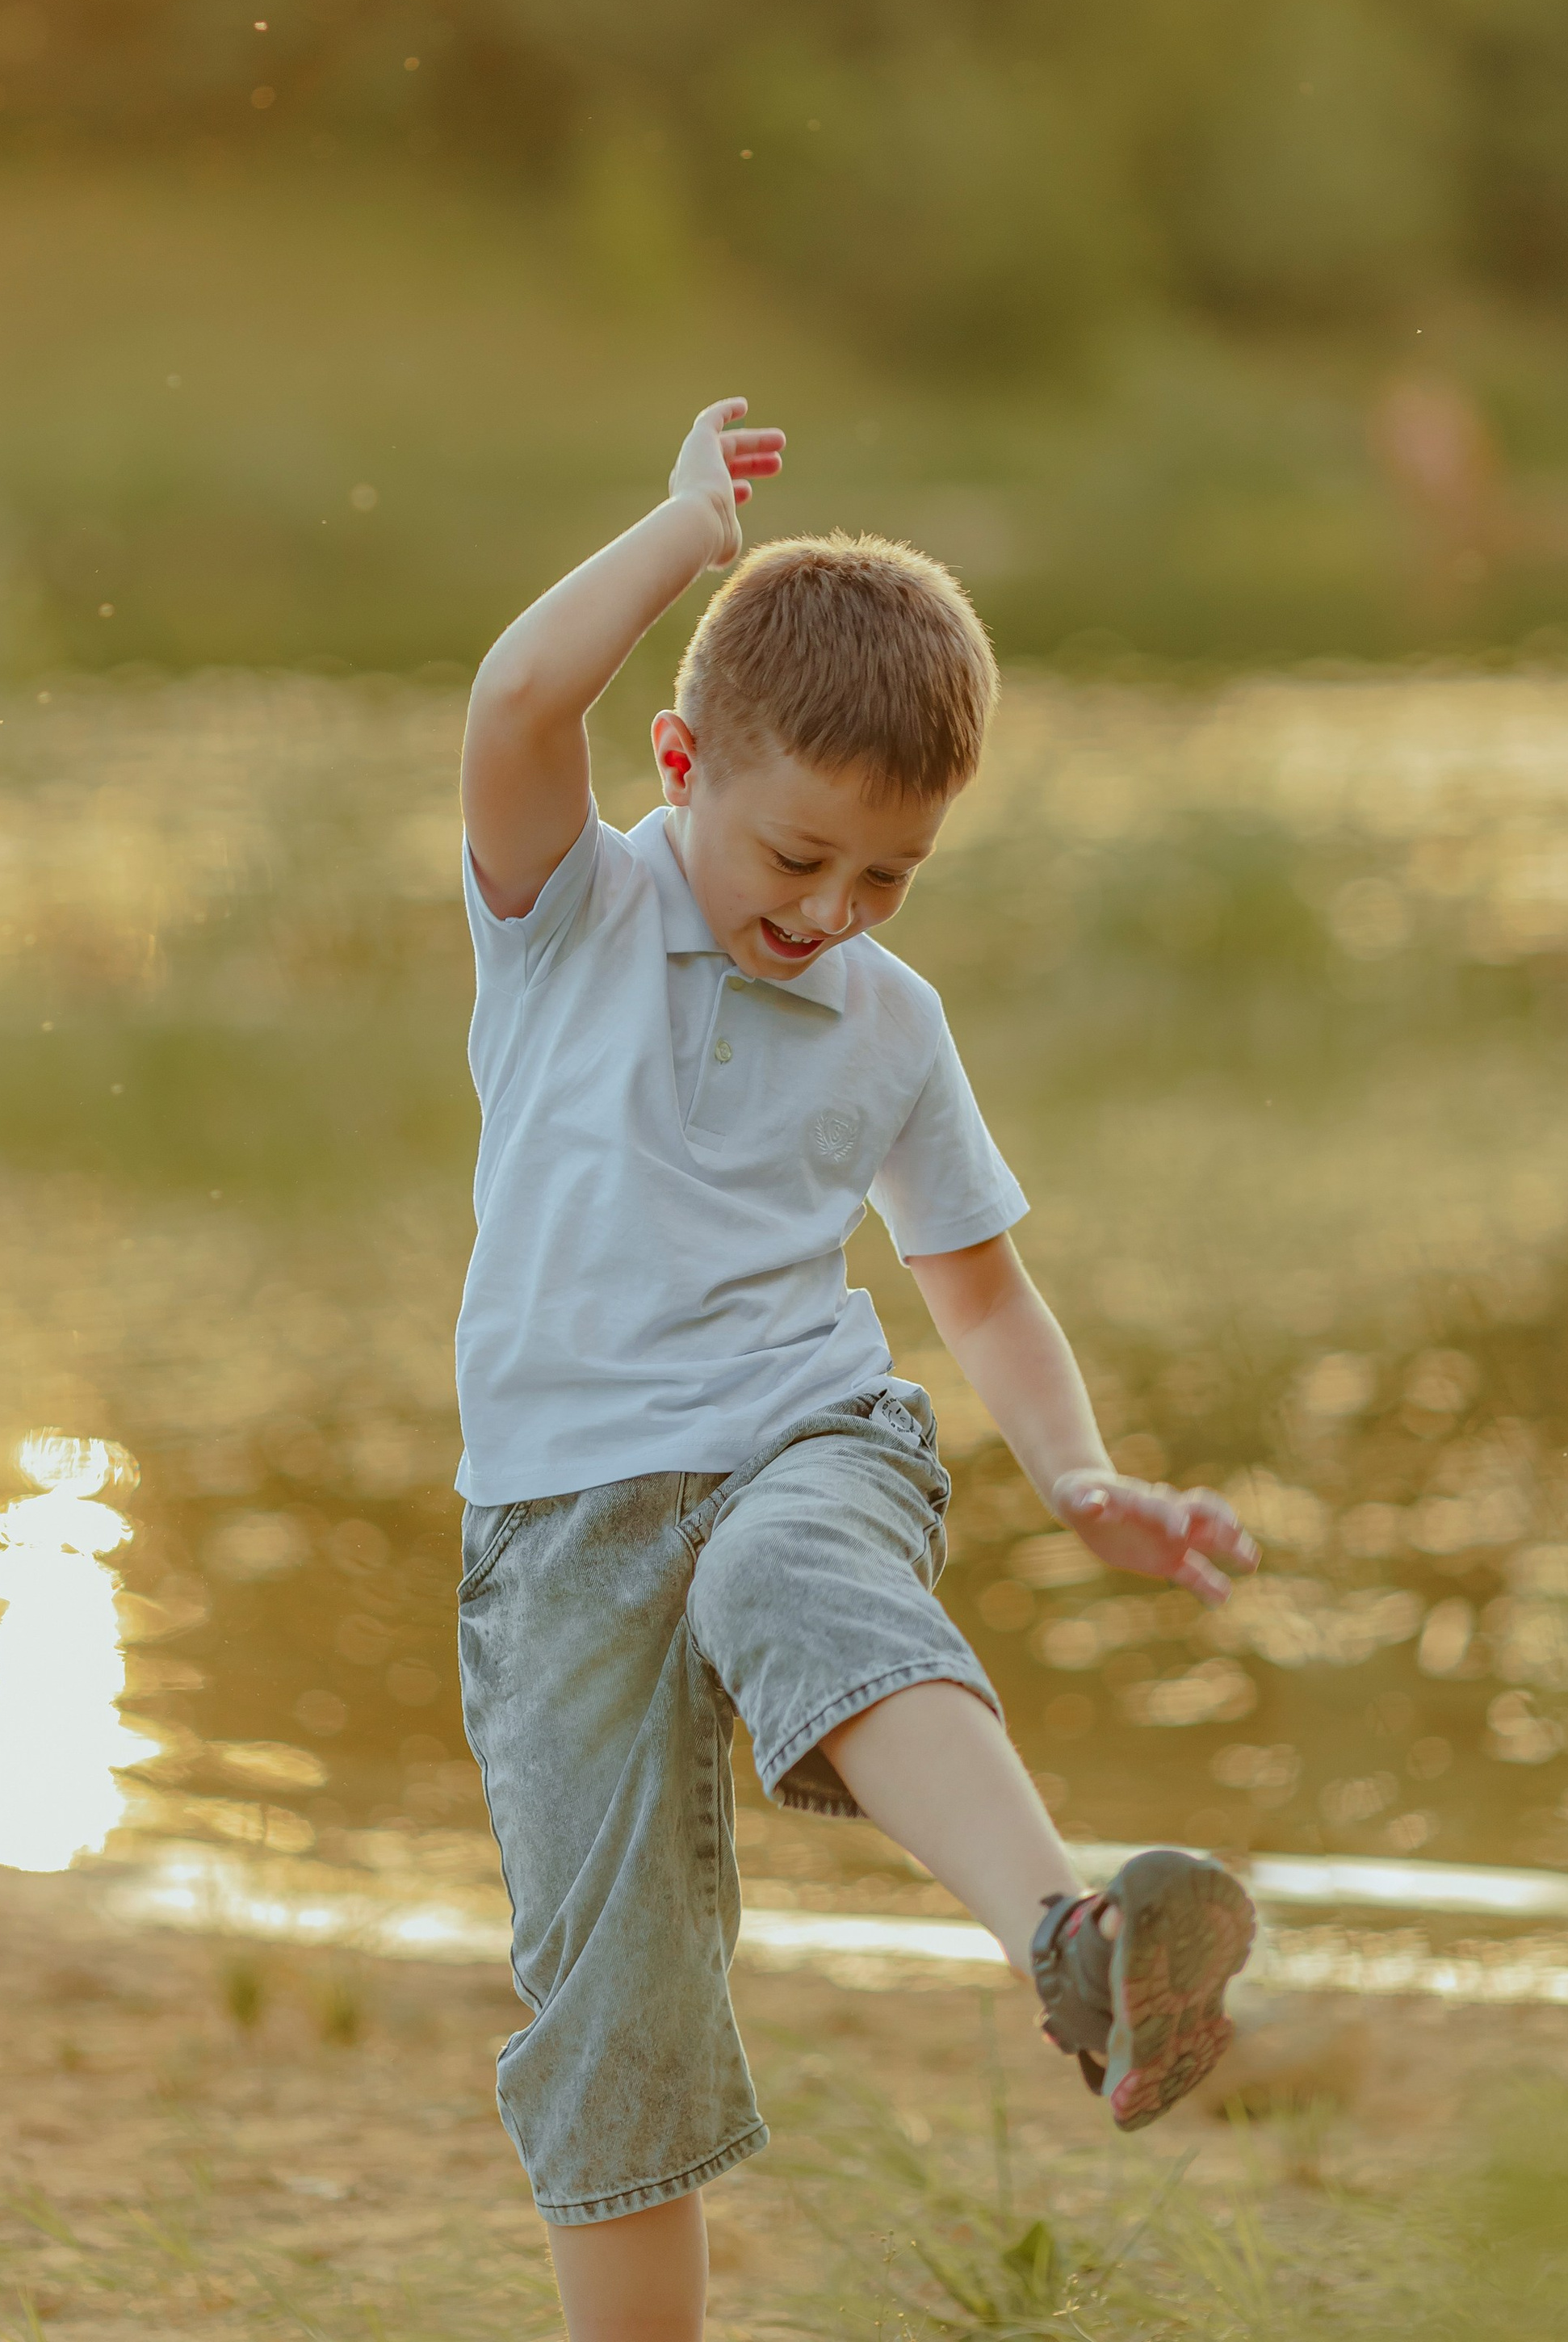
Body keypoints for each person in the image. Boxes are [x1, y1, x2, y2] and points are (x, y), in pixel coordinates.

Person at [455, 399, 1260, 2342]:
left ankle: (1072, 1946)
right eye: (801, 855)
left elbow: (978, 1294)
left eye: (890, 876)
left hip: (801, 1437)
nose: (829, 914)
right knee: (613, 2010)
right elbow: (513, 699)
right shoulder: (574, 912)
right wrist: (681, 533)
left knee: (786, 1570)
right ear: (680, 768)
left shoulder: (889, 1024)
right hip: (553, 1522)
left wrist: (1077, 1479)